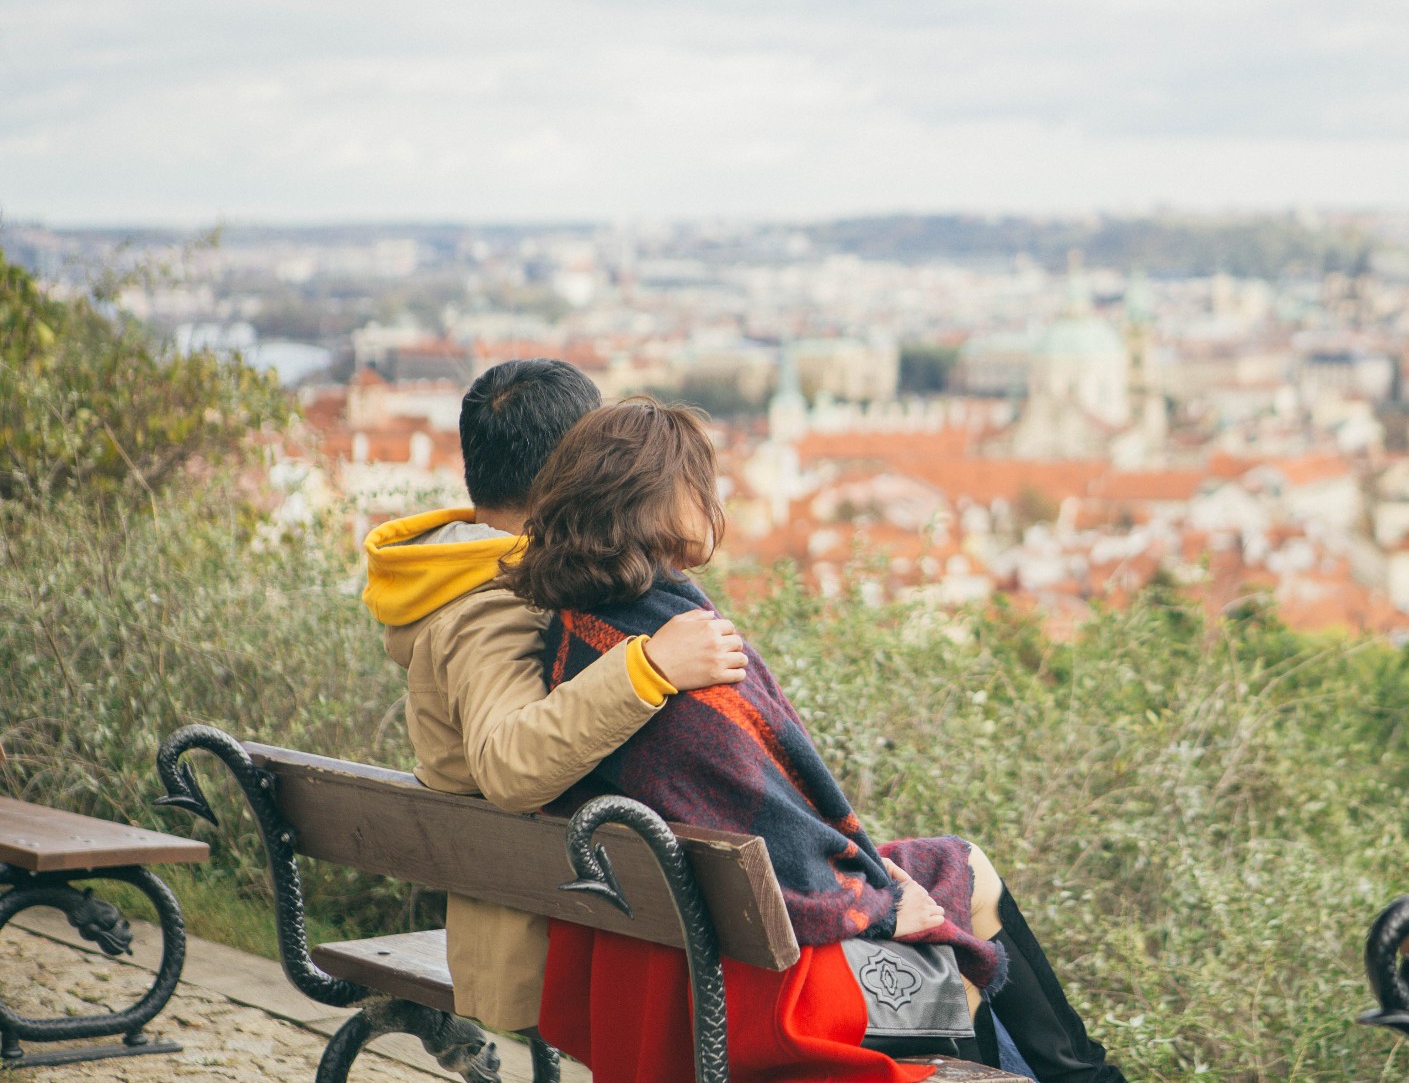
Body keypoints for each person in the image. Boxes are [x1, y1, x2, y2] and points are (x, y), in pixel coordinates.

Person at [505, 399, 1125, 1083]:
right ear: (649, 500)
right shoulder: (686, 661)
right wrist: (885, 905)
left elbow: (756, 828)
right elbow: (770, 838)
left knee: (956, 868)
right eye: (696, 482)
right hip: (756, 989)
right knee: (961, 908)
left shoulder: (577, 634)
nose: (712, 497)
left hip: (661, 966)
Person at [361, 359, 751, 1033]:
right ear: (576, 469)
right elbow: (508, 763)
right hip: (563, 933)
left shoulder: (466, 575)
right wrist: (648, 666)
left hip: (564, 902)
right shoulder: (492, 607)